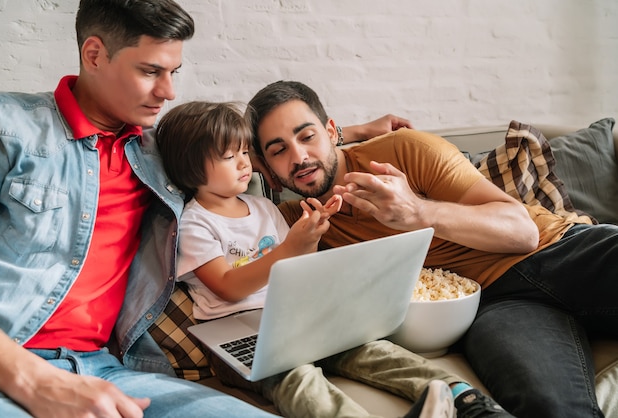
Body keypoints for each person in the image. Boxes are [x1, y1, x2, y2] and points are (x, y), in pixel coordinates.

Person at [246, 80, 618, 418]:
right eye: (279, 151)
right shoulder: (294, 224)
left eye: (307, 136)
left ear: (331, 132)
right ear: (264, 166)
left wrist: (417, 211)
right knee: (551, 409)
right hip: (493, 307)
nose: (298, 157)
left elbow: (521, 233)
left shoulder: (404, 151)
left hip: (559, 251)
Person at [0, 1, 279, 417]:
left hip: (112, 371)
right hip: (8, 366)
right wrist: (34, 381)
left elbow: (252, 150)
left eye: (172, 72)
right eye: (150, 71)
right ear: (94, 55)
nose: (169, 91)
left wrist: (348, 134)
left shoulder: (159, 152)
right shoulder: (6, 126)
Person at [155, 100, 513, 418]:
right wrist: (288, 249)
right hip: (238, 335)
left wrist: (311, 238)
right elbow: (229, 287)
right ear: (191, 170)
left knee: (373, 350)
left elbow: (298, 269)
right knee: (298, 379)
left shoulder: (263, 207)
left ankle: (463, 398)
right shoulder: (193, 223)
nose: (244, 164)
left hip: (296, 318)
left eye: (245, 153)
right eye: (229, 157)